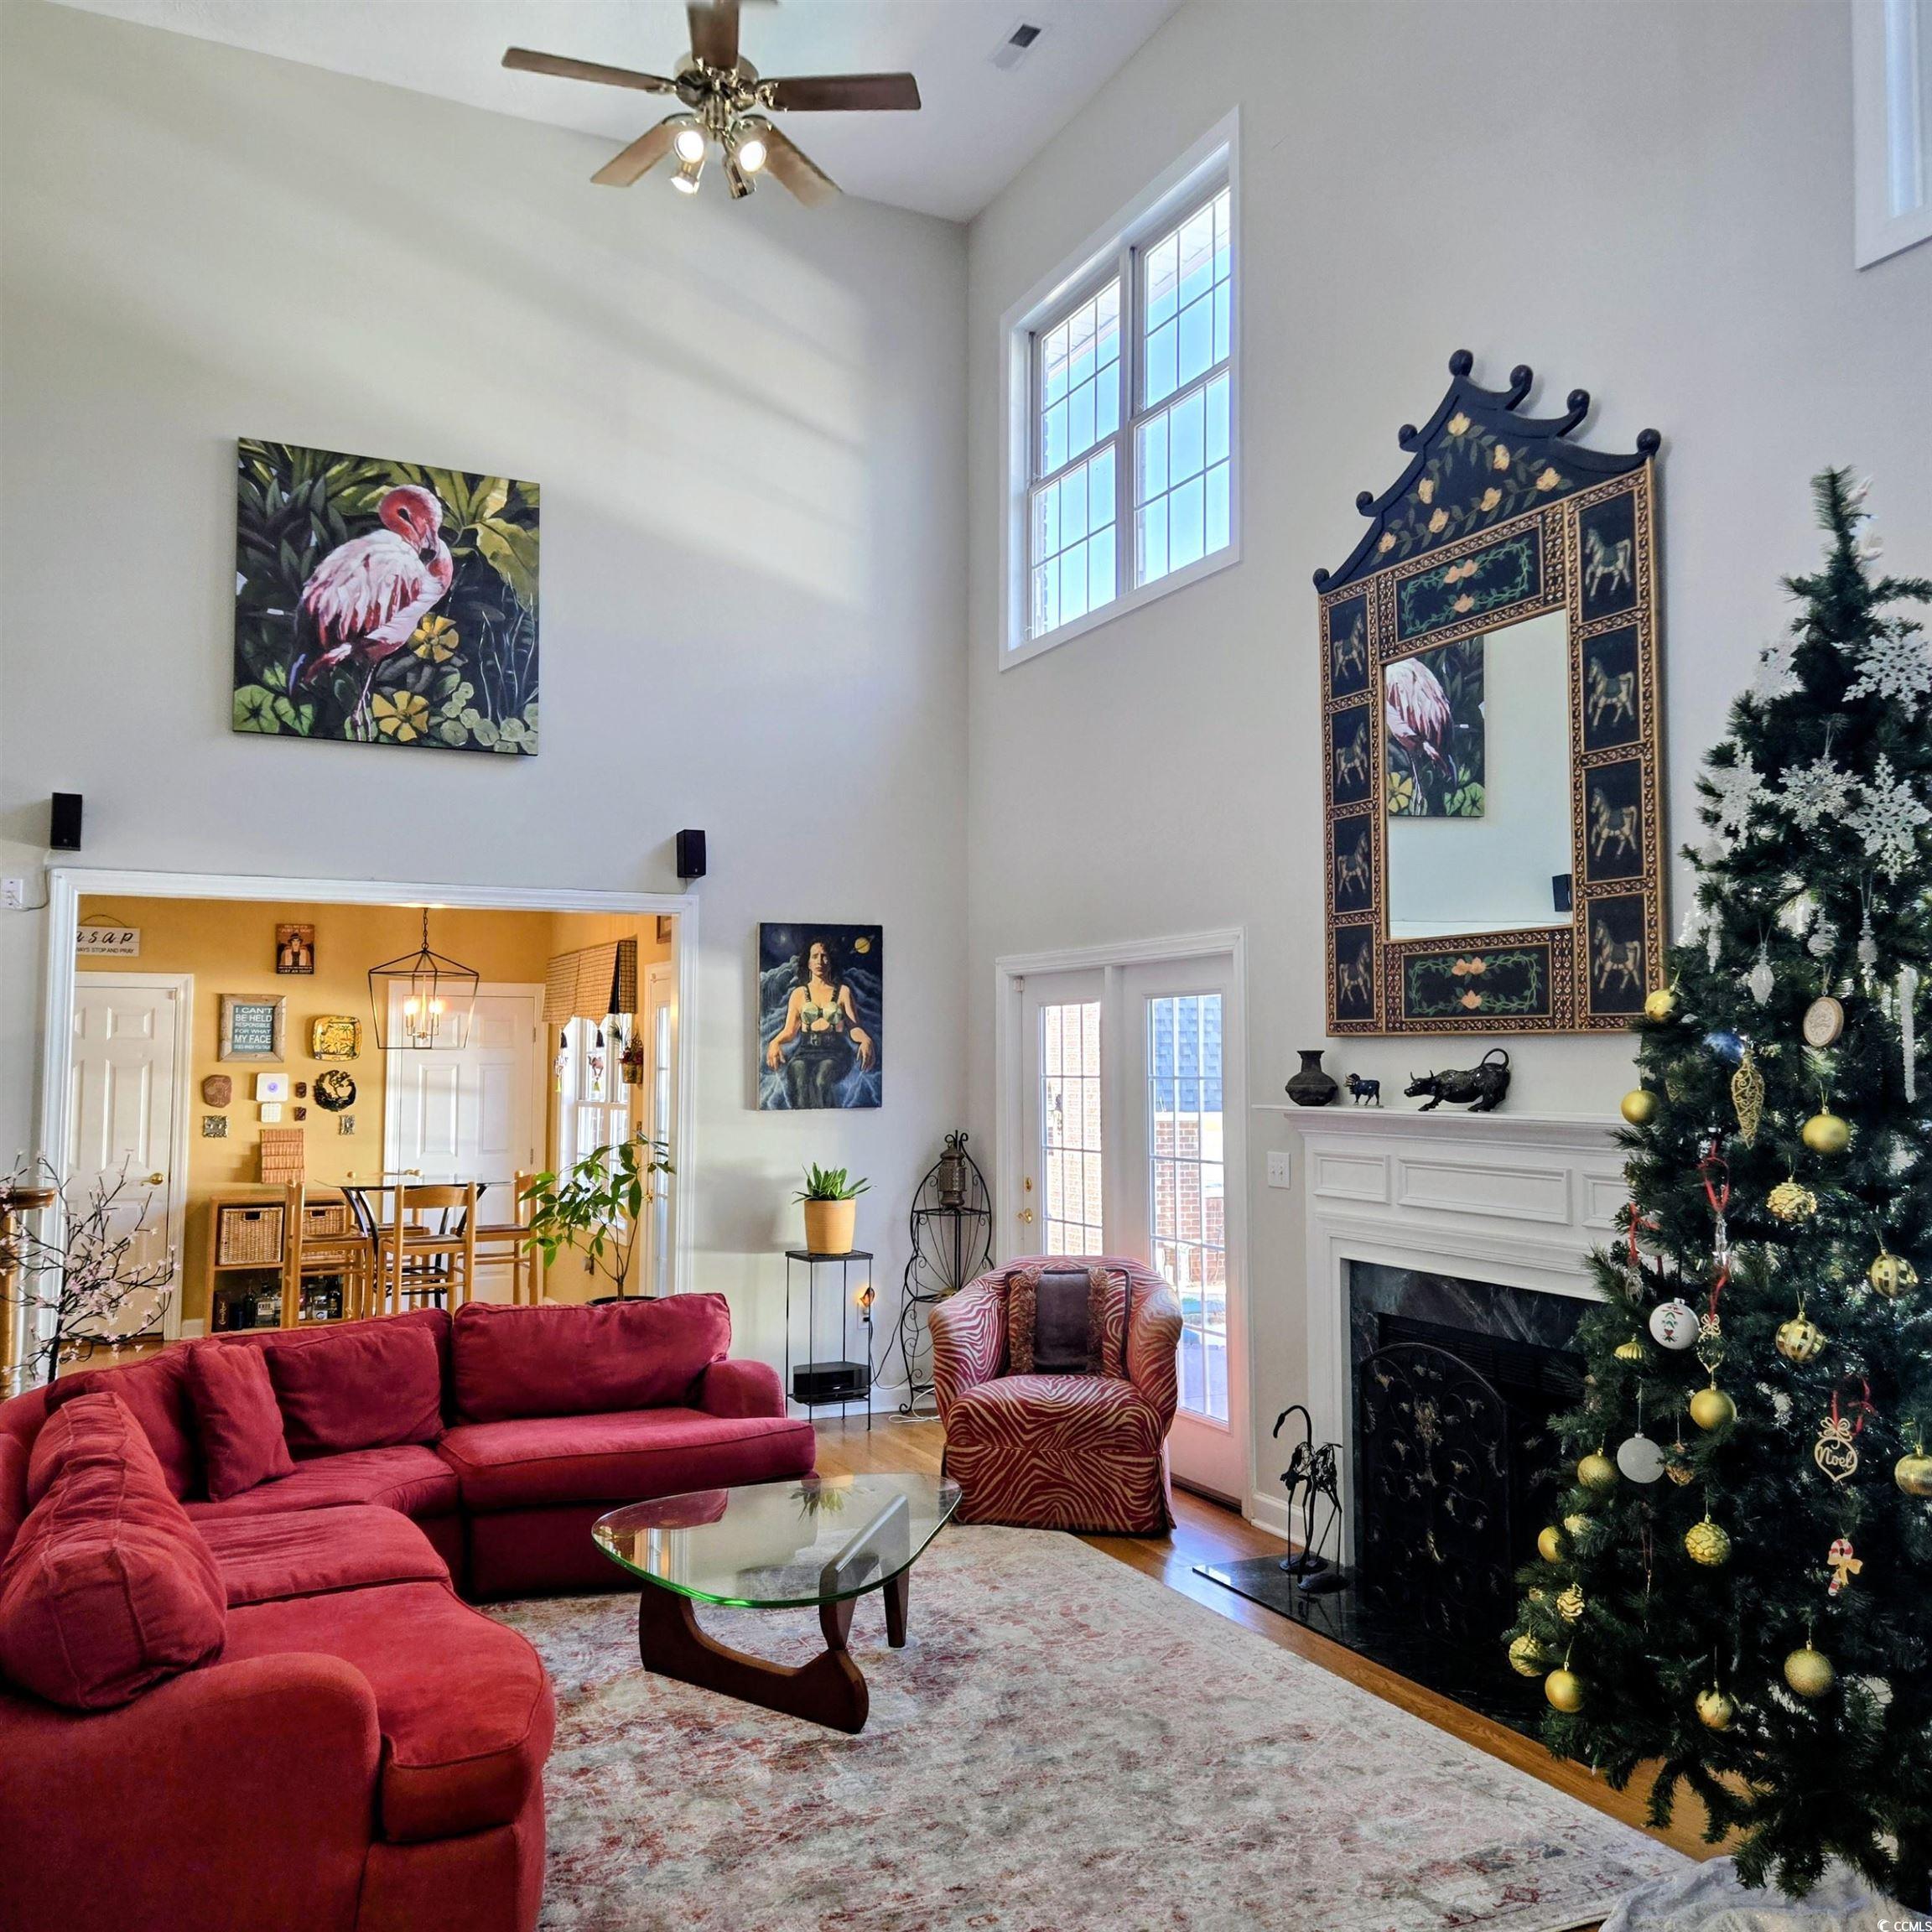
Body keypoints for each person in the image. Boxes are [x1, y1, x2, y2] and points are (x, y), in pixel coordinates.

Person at [765, 937, 874, 1108]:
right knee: (797, 1073)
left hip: (836, 1052)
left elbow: (854, 1027)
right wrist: (775, 1042)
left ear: (831, 961)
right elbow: (790, 1031)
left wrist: (866, 1040)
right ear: (807, 962)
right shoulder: (799, 994)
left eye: (824, 956)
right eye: (814, 956)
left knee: (821, 1080)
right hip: (805, 1051)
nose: (820, 961)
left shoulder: (843, 992)